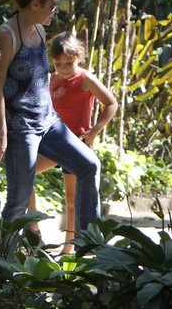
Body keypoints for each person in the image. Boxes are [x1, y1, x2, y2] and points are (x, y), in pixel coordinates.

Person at [0, 0, 101, 243]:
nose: (55, 10)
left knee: (89, 166)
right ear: (35, 4)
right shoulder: (6, 35)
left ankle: (93, 249)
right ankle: (2, 267)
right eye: (52, 5)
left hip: (49, 121)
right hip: (20, 128)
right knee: (18, 201)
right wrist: (1, 133)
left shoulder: (40, 29)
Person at [28, 32, 118, 254]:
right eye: (58, 64)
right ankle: (32, 227)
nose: (63, 68)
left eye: (68, 63)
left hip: (76, 143)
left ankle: (69, 248)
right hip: (53, 142)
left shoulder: (85, 79)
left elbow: (111, 104)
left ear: (78, 56)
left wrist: (94, 131)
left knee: (71, 200)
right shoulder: (53, 79)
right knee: (25, 174)